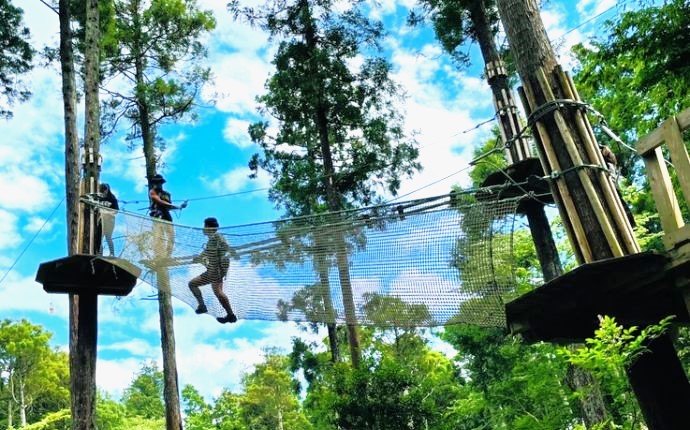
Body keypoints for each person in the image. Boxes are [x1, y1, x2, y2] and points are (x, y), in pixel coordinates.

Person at [188, 217, 237, 324]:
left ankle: (229, 314)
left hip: (217, 268)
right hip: (213, 269)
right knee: (195, 285)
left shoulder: (217, 237)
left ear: (209, 227)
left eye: (204, 226)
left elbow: (226, 246)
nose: (203, 228)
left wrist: (231, 252)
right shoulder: (211, 241)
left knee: (217, 291)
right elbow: (204, 254)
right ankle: (229, 314)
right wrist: (197, 259)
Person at [148, 174, 186, 257]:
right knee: (159, 236)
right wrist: (175, 206)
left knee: (171, 236)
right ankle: (158, 255)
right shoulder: (153, 191)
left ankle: (167, 255)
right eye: (155, 182)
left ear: (162, 183)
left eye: (159, 182)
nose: (157, 184)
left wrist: (180, 207)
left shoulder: (167, 194)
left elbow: (169, 207)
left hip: (167, 216)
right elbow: (159, 201)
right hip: (157, 216)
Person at [96, 183, 119, 256]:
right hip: (101, 220)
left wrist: (106, 211)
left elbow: (116, 211)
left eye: (105, 190)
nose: (104, 192)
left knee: (108, 236)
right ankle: (100, 254)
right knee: (99, 238)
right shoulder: (100, 198)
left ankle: (112, 253)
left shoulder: (112, 198)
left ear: (108, 190)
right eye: (102, 191)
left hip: (110, 220)